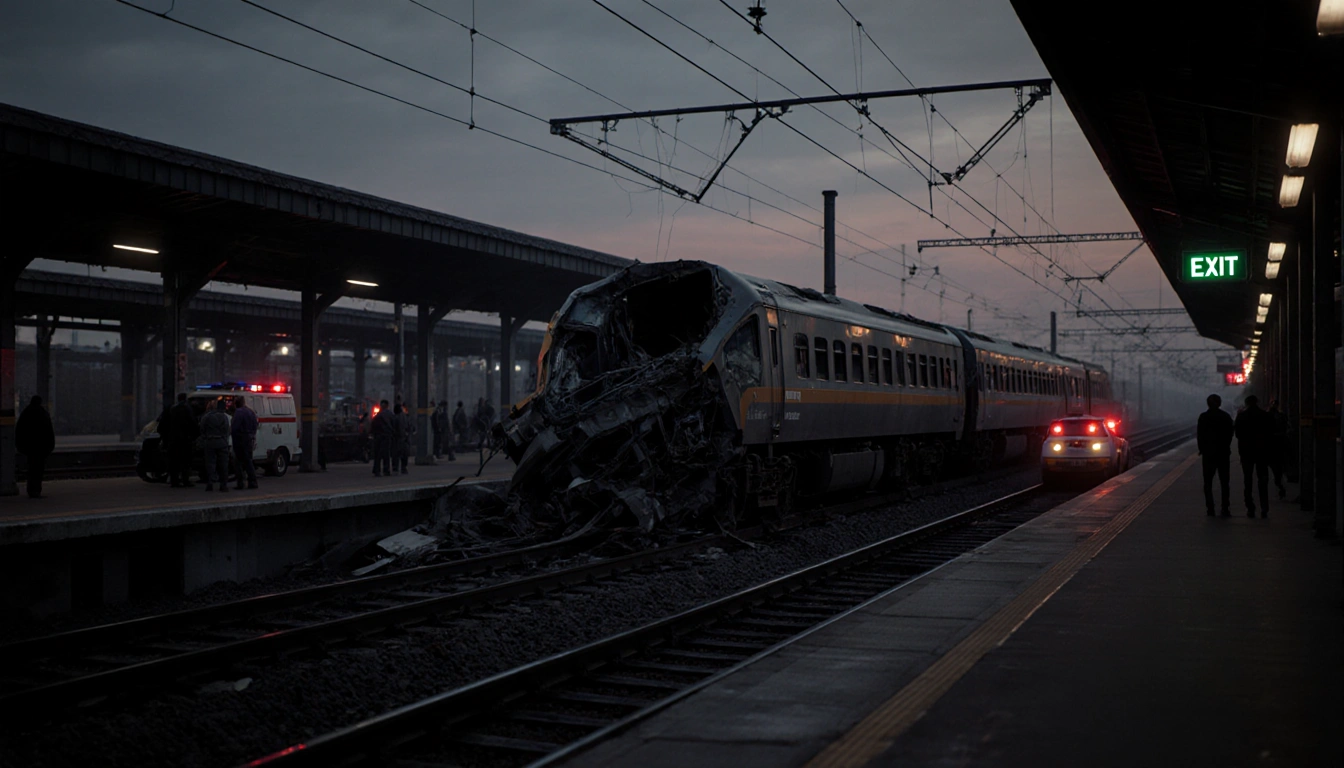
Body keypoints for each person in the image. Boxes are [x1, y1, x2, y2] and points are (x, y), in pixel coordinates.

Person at [1196, 394, 1235, 517]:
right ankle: (1225, 507)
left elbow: (1200, 435)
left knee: (1208, 482)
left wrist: (1202, 449)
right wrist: (1226, 446)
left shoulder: (1203, 417)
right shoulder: (1225, 417)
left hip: (1208, 454)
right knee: (1224, 482)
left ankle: (1210, 508)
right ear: (1220, 403)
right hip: (1223, 453)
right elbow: (1230, 433)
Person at [1234, 395, 1273, 518]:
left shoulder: (1241, 416)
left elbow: (1238, 434)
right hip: (1262, 452)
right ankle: (1264, 508)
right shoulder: (1265, 415)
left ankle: (1250, 508)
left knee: (1248, 480)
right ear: (1257, 402)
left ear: (1246, 403)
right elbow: (1270, 432)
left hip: (1246, 452)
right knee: (1262, 480)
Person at [14, 395, 55, 499]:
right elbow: (49, 431)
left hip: (30, 448)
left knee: (31, 470)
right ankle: (36, 490)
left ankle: (31, 490)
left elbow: (19, 430)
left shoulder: (26, 413)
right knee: (38, 471)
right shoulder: (43, 414)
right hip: (41, 448)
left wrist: (21, 446)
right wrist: (50, 446)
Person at [166, 393, 200, 487]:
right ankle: (185, 480)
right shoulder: (187, 409)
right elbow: (192, 423)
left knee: (174, 461)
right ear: (185, 399)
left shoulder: (172, 409)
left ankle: (174, 481)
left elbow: (165, 423)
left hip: (173, 439)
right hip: (185, 439)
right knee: (186, 461)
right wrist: (196, 435)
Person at [199, 399, 232, 492]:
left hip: (210, 442)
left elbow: (202, 429)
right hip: (222, 442)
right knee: (223, 464)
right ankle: (223, 485)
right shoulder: (224, 417)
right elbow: (227, 430)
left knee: (210, 464)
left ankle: (210, 483)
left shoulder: (206, 417)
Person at [231, 395, 259, 490]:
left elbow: (235, 427)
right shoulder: (250, 412)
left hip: (240, 440)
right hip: (249, 439)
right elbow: (256, 425)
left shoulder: (238, 412)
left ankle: (240, 482)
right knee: (248, 461)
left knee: (238, 462)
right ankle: (252, 481)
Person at [1266, 399, 1288, 499]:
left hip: (1269, 446)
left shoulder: (1265, 416)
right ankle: (1279, 484)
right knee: (1278, 468)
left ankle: (1278, 484)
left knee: (1273, 468)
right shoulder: (1282, 416)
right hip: (1279, 445)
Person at [371, 399, 393, 477]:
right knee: (386, 454)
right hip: (386, 436)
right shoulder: (390, 414)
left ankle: (376, 470)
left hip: (378, 436)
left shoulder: (377, 415)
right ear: (387, 406)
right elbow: (394, 425)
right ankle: (386, 470)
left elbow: (372, 426)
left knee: (377, 454)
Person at [397, 404, 415, 474]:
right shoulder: (406, 417)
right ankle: (403, 468)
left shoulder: (398, 417)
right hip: (405, 438)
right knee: (404, 454)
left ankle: (398, 467)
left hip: (401, 438)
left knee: (400, 454)